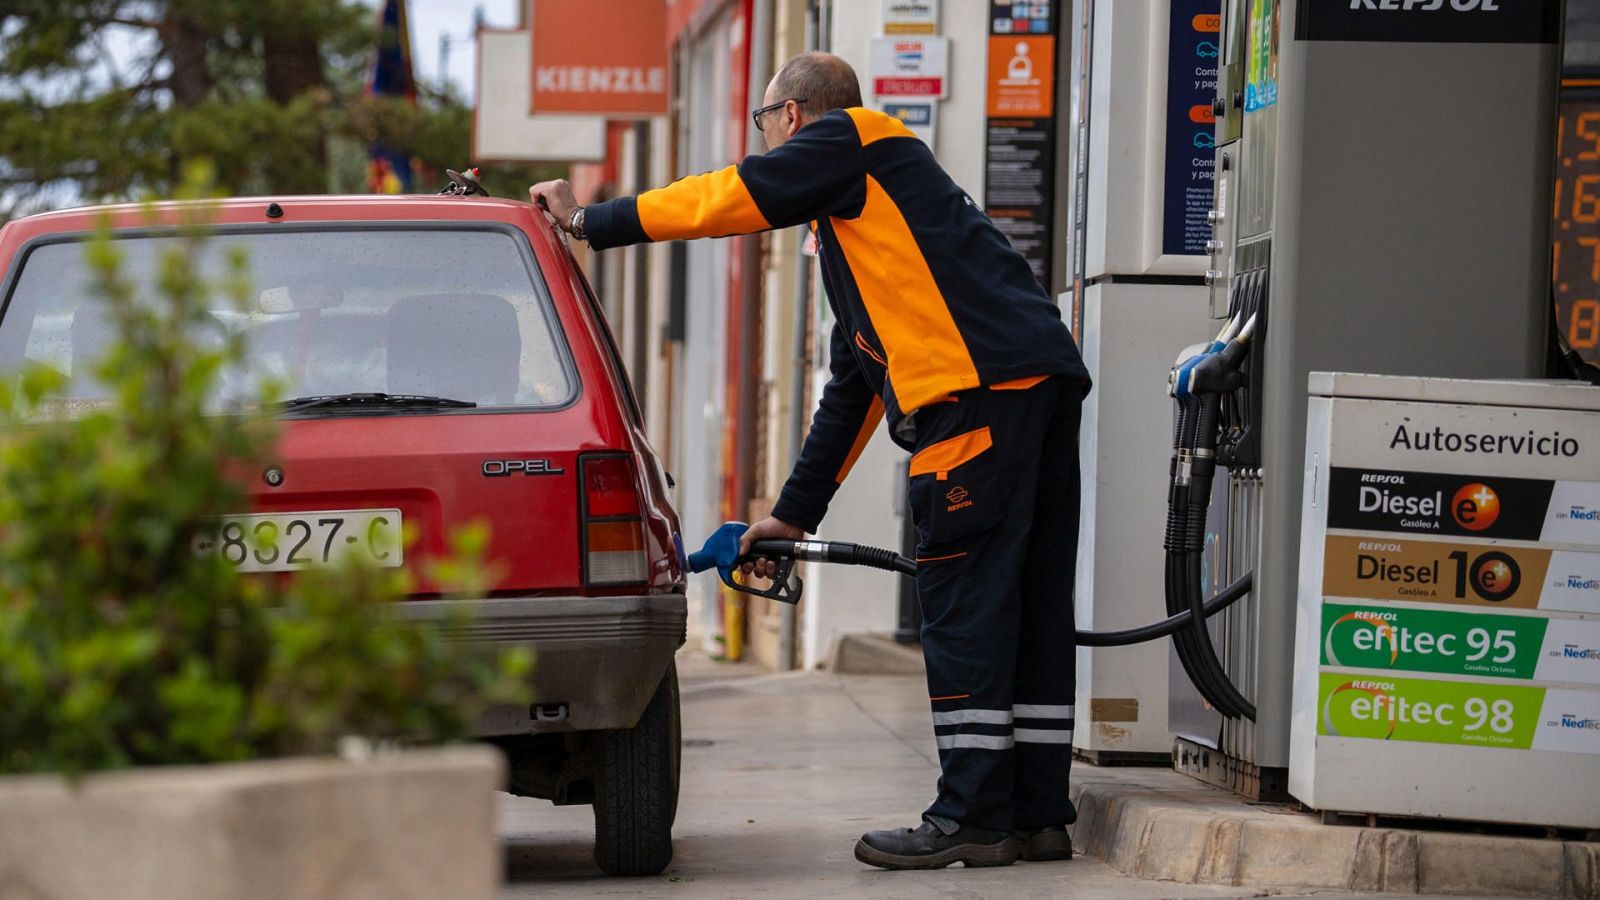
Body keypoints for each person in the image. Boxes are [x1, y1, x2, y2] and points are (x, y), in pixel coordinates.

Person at [530, 52, 1091, 871]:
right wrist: (794, 514)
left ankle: (972, 815)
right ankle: (1037, 816)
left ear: (791, 118)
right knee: (1028, 606)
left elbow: (734, 196)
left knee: (966, 605)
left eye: (765, 125)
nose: (766, 143)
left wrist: (589, 224)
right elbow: (855, 386)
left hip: (977, 400)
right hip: (1032, 384)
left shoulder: (854, 141)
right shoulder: (871, 227)